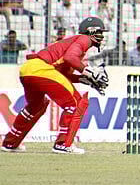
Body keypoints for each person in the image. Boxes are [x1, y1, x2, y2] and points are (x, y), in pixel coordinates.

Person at [1, 17, 109, 154]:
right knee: (75, 102)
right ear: (91, 31)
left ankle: (10, 143)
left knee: (36, 106)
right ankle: (63, 143)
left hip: (28, 69)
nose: (102, 36)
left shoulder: (74, 44)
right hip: (42, 69)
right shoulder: (84, 39)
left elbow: (63, 74)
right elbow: (70, 58)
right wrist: (90, 72)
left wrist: (85, 79)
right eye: (100, 32)